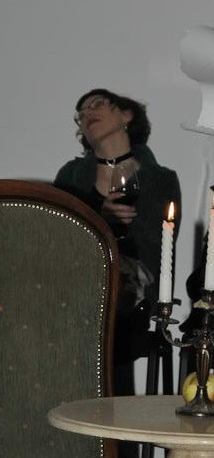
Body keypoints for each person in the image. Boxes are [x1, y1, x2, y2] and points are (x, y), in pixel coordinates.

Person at [54, 88, 181, 367]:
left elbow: (158, 246)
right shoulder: (70, 175)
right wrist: (100, 218)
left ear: (126, 115)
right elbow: (58, 236)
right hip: (75, 277)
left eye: (97, 104)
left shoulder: (159, 178)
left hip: (130, 287)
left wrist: (115, 230)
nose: (87, 113)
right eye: (81, 114)